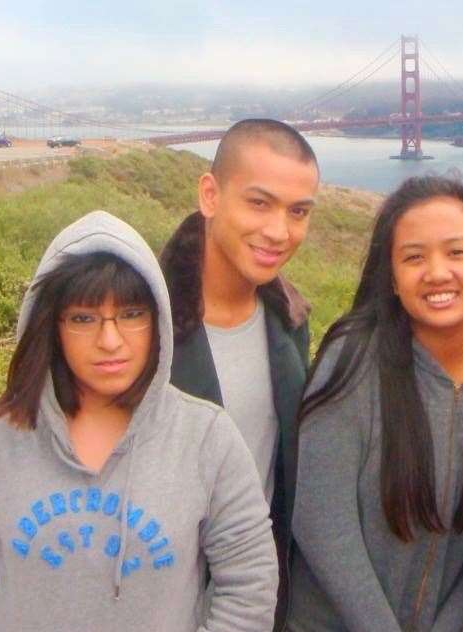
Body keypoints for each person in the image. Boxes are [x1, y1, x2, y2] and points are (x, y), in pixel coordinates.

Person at [0, 211, 278, 631]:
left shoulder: (206, 438)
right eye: (83, 318)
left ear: (157, 321)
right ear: (50, 326)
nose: (110, 341)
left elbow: (249, 587)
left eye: (130, 314)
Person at [285, 175, 463, 631]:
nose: (436, 272)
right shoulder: (353, 358)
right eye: (414, 257)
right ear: (391, 277)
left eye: (457, 253)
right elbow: (321, 522)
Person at [158, 118, 318, 623]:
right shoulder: (140, 325)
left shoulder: (289, 325)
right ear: (210, 194)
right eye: (259, 202)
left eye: (298, 212)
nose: (278, 231)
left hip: (255, 607)